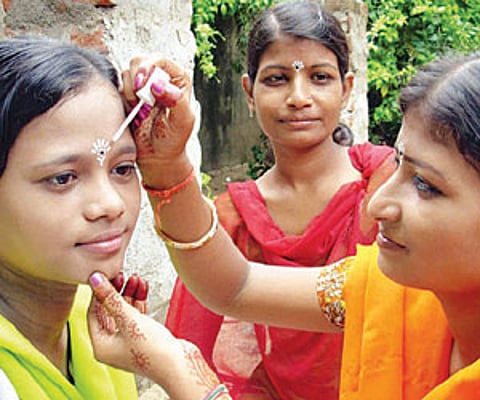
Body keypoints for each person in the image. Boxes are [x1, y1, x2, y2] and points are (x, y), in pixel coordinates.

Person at [90, 47, 480, 398]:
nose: (379, 204)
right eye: (397, 163)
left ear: (346, 88)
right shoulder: (395, 293)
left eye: (426, 185)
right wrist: (166, 166)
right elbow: (237, 286)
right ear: (249, 92)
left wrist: (180, 372)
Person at [165, 2, 394, 398]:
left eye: (320, 77)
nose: (298, 97)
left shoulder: (385, 188)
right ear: (249, 92)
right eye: (277, 79)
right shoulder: (235, 218)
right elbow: (190, 344)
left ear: (348, 88)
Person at [0, 34, 228, 400]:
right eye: (62, 178)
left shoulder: (94, 322)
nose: (111, 204)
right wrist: (179, 367)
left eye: (123, 169)